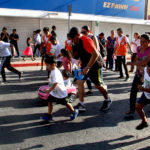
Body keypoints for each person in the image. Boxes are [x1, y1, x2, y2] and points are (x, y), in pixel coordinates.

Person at [69, 27, 112, 112]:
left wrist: (88, 67)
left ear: (78, 35)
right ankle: (81, 104)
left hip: (95, 64)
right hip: (85, 64)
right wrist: (76, 63)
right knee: (80, 82)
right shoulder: (75, 42)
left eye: (73, 38)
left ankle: (107, 99)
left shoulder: (86, 40)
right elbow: (77, 55)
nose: (73, 41)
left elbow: (95, 55)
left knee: (98, 85)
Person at [41, 56, 79, 121]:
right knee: (49, 102)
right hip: (54, 92)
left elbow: (56, 83)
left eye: (47, 65)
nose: (46, 67)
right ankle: (49, 115)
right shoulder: (53, 71)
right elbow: (52, 82)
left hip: (60, 93)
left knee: (66, 103)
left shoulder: (55, 72)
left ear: (53, 65)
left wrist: (49, 90)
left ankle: (74, 111)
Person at [126, 34, 150, 116]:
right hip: (139, 73)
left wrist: (132, 63)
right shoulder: (139, 48)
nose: (142, 43)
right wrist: (136, 68)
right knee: (133, 91)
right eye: (141, 41)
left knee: (148, 91)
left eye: (145, 42)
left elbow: (145, 62)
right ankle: (132, 110)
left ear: (149, 42)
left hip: (148, 74)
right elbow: (137, 58)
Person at [81, 25, 100, 96]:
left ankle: (106, 96)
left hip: (93, 61)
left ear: (89, 31)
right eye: (81, 32)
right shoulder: (82, 38)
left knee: (98, 84)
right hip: (86, 61)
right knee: (82, 79)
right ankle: (90, 90)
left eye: (84, 32)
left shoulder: (93, 37)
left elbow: (97, 50)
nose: (82, 33)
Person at [135, 61, 150, 130]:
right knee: (138, 107)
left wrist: (143, 88)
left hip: (146, 91)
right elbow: (141, 67)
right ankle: (144, 122)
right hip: (146, 95)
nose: (148, 72)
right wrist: (143, 78)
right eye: (147, 70)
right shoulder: (145, 70)